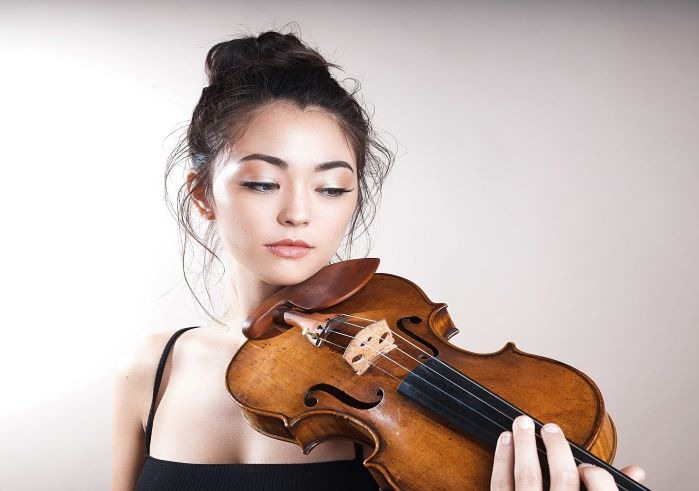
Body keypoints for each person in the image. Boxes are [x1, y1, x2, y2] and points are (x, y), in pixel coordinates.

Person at [112, 30, 645, 491]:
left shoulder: (403, 365)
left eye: (331, 188)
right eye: (262, 182)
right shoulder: (152, 370)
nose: (298, 213)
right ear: (202, 195)